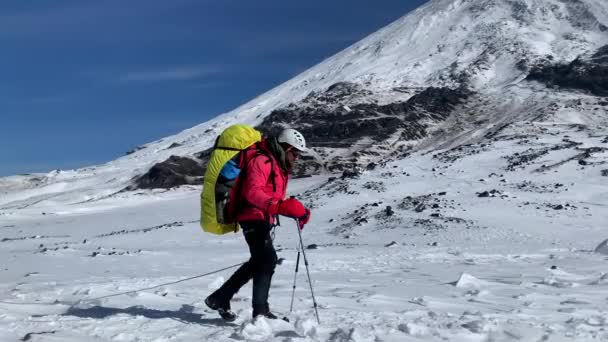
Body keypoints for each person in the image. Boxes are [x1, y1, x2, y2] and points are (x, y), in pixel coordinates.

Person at [205, 128, 311, 321]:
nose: (296, 158)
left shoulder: (276, 164)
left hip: (261, 217)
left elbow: (270, 194)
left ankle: (220, 298)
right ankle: (257, 310)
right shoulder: (262, 160)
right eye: (295, 152)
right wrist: (279, 206)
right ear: (285, 147)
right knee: (267, 260)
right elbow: (252, 192)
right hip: (251, 216)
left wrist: (293, 210)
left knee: (261, 261)